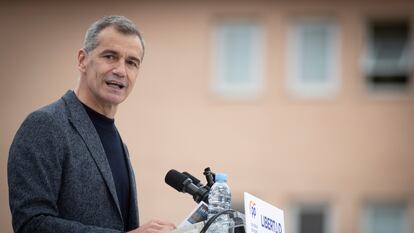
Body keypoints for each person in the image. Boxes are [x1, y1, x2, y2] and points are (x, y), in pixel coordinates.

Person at [8, 15, 176, 233]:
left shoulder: (118, 142)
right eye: (110, 56)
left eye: (131, 62)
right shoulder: (45, 125)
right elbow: (31, 224)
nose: (121, 70)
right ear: (82, 60)